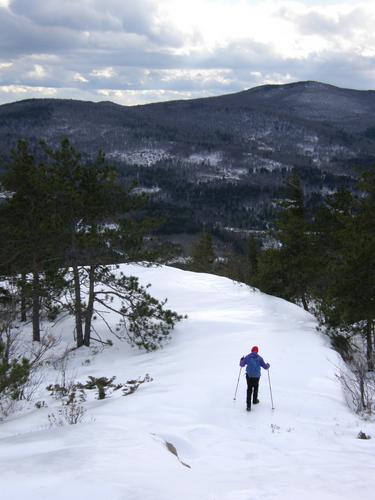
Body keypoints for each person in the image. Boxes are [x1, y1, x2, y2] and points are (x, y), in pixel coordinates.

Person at [239, 346, 270, 412]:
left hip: (249, 376)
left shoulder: (248, 357)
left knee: (249, 389)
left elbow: (241, 365)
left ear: (251, 350)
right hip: (256, 376)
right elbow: (265, 367)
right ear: (257, 351)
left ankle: (248, 406)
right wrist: (268, 365)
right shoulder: (260, 358)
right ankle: (255, 400)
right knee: (256, 387)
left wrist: (241, 360)